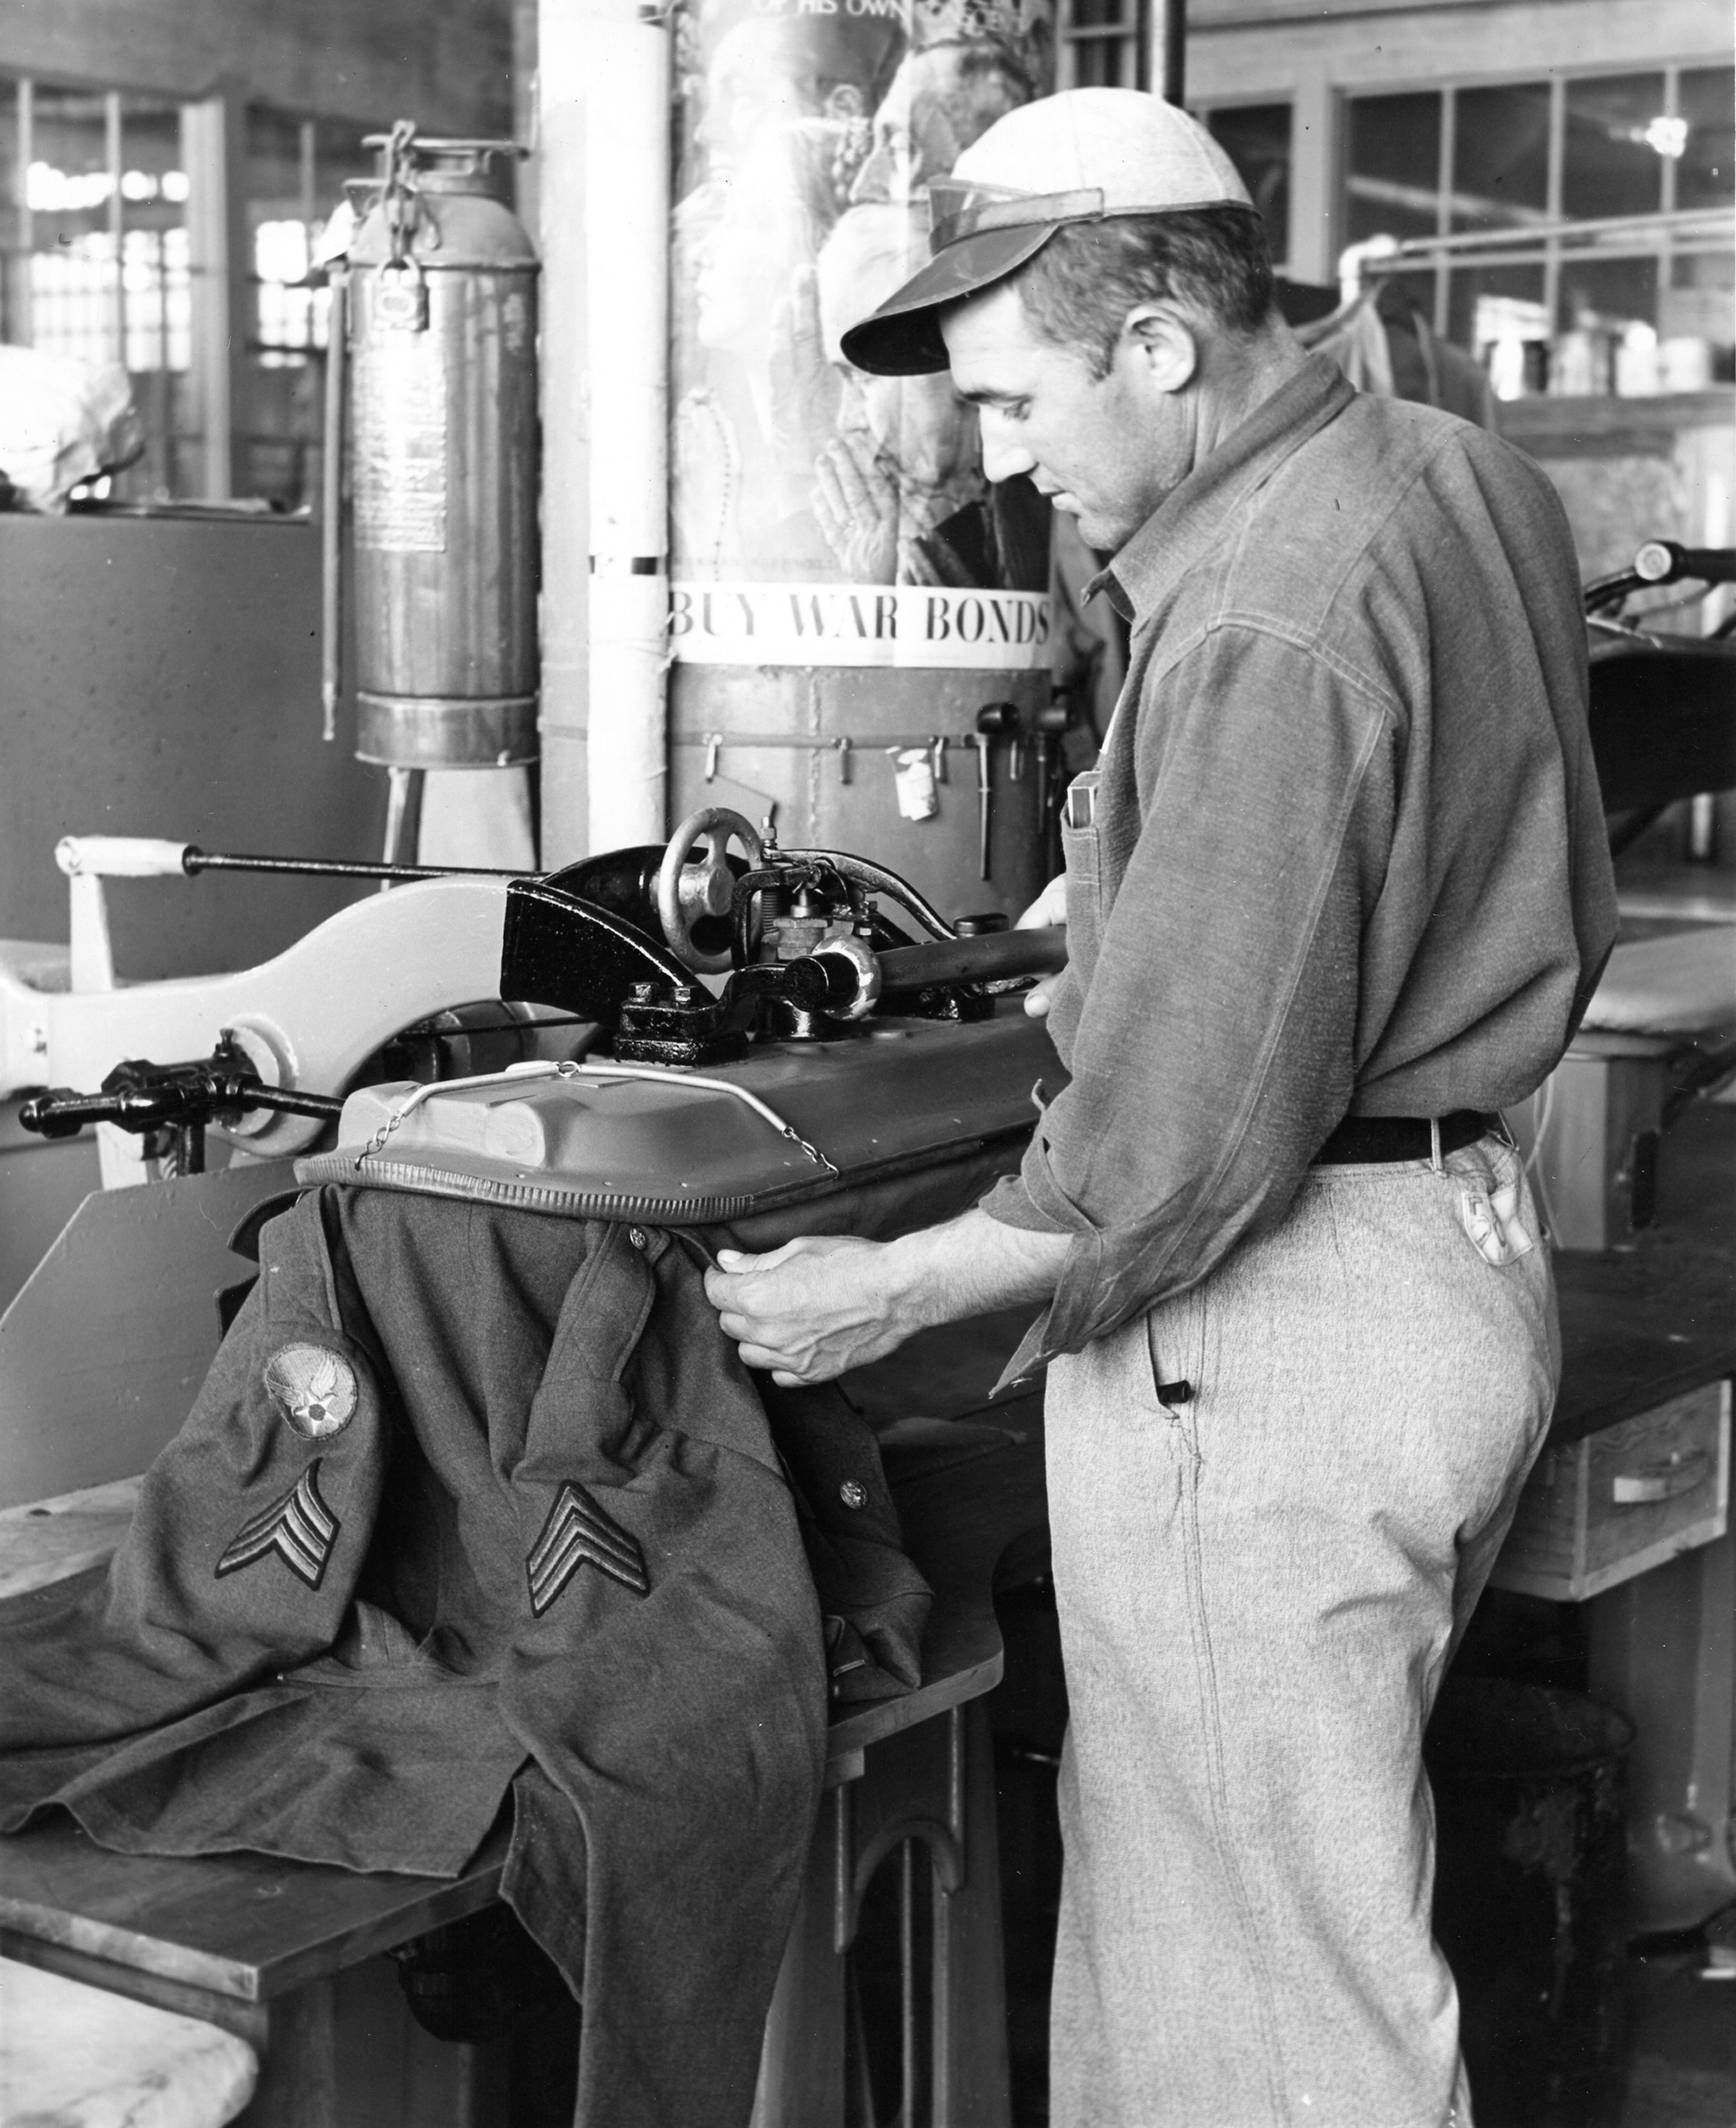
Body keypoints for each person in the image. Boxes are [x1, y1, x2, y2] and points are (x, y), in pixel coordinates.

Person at [704, 88, 1617, 2127]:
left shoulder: (1269, 615)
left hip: (1275, 1336)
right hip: (1454, 1254)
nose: (1001, 456)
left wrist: (879, 1293)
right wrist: (1113, 891)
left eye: (1019, 400)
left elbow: (1176, 1148)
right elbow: (1396, 843)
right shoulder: (1446, 473)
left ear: (1160, 342)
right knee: (1219, 1922)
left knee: (1275, 2009)